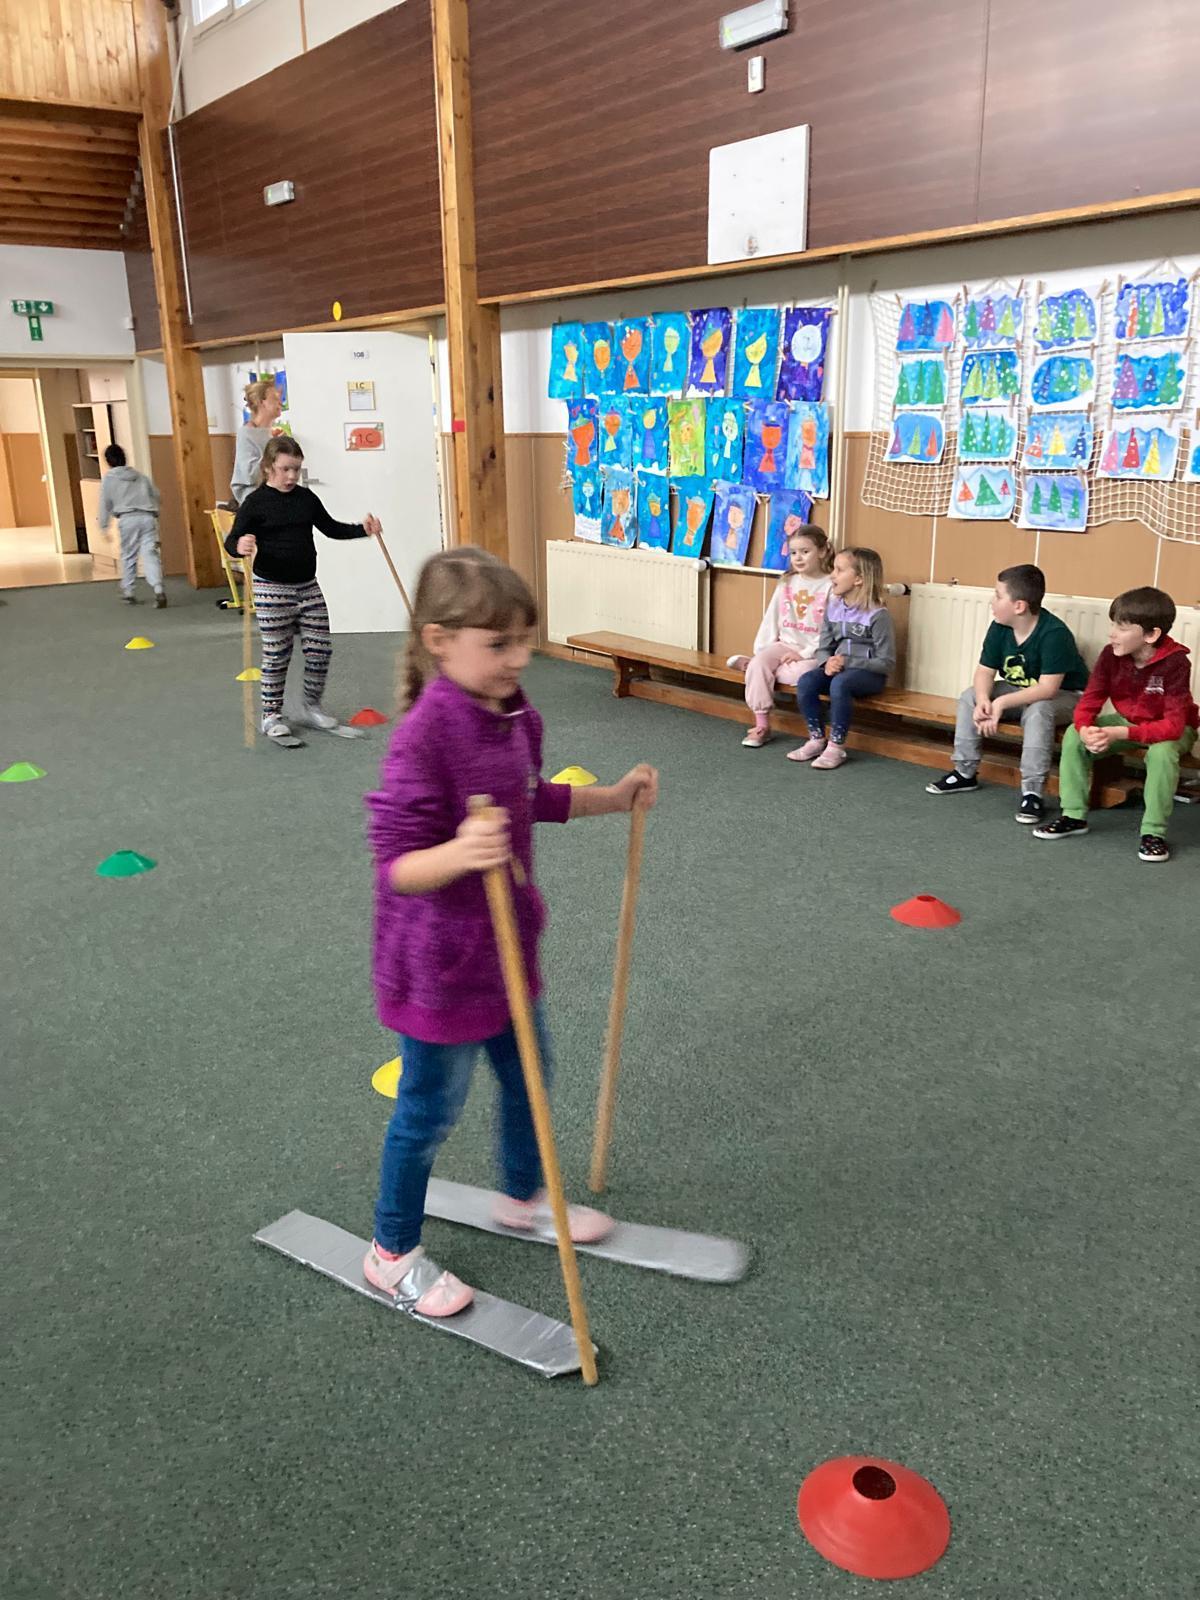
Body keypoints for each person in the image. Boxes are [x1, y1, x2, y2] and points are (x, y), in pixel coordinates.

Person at [363, 547, 659, 1315]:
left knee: (531, 1076)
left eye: (524, 639)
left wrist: (614, 797)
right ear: (439, 641)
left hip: (505, 949)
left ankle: (523, 1195)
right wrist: (460, 852)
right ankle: (390, 1252)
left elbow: (531, 800)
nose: (519, 658)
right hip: (439, 966)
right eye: (499, 643)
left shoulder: (517, 715)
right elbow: (396, 865)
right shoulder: (424, 735)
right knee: (428, 1111)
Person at [226, 437, 381, 746]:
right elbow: (233, 541)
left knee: (320, 650)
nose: (292, 476)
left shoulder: (306, 499)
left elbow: (331, 528)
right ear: (268, 467)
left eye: (296, 469)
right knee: (277, 654)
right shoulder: (255, 502)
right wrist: (239, 545)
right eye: (285, 469)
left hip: (307, 586)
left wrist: (362, 530)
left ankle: (311, 707)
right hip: (271, 588)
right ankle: (271, 715)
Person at [1033, 586, 1198, 862]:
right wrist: (1086, 728)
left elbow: (1172, 727)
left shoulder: (1176, 663)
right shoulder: (1110, 655)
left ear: (1151, 635)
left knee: (1162, 753)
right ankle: (1073, 816)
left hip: (1172, 729)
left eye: (1122, 628)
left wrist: (1120, 732)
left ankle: (1153, 833)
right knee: (1074, 735)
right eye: (1113, 625)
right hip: (1127, 722)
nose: (1112, 634)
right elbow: (1090, 699)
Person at [925, 564, 1088, 824]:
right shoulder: (999, 627)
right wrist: (983, 700)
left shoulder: (1054, 634)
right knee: (969, 696)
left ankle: (1032, 792)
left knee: (1039, 710)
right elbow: (984, 672)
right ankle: (965, 772)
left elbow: (1048, 689)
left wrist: (1001, 703)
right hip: (1019, 689)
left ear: (1019, 606)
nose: (992, 601)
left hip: (1066, 695)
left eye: (998, 596)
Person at [726, 524, 833, 749]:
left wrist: (804, 654)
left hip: (814, 652)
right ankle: (762, 726)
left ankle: (752, 668)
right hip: (784, 645)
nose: (798, 558)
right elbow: (772, 616)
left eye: (805, 551)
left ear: (823, 551)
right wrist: (762, 650)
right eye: (793, 553)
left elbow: (831, 629)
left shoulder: (831, 586)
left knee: (797, 675)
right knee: (760, 664)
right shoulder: (787, 581)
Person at [792, 546, 895, 769]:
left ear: (859, 579)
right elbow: (823, 647)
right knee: (807, 681)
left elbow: (886, 663)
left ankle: (836, 746)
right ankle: (817, 739)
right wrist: (826, 662)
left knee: (840, 683)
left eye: (839, 570)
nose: (832, 575)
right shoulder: (833, 608)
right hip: (838, 670)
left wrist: (848, 662)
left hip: (869, 675)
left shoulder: (878, 615)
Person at [96, 444, 165, 608]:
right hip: (148, 517)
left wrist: (103, 527)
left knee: (129, 555)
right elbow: (156, 495)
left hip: (127, 519)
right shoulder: (140, 476)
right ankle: (158, 588)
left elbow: (105, 504)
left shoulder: (109, 479)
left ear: (108, 461)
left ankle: (129, 591)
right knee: (150, 554)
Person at [230, 377, 283, 507]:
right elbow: (250, 474)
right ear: (261, 402)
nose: (280, 402)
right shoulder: (246, 434)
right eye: (275, 398)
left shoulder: (273, 434)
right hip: (256, 503)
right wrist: (276, 449)